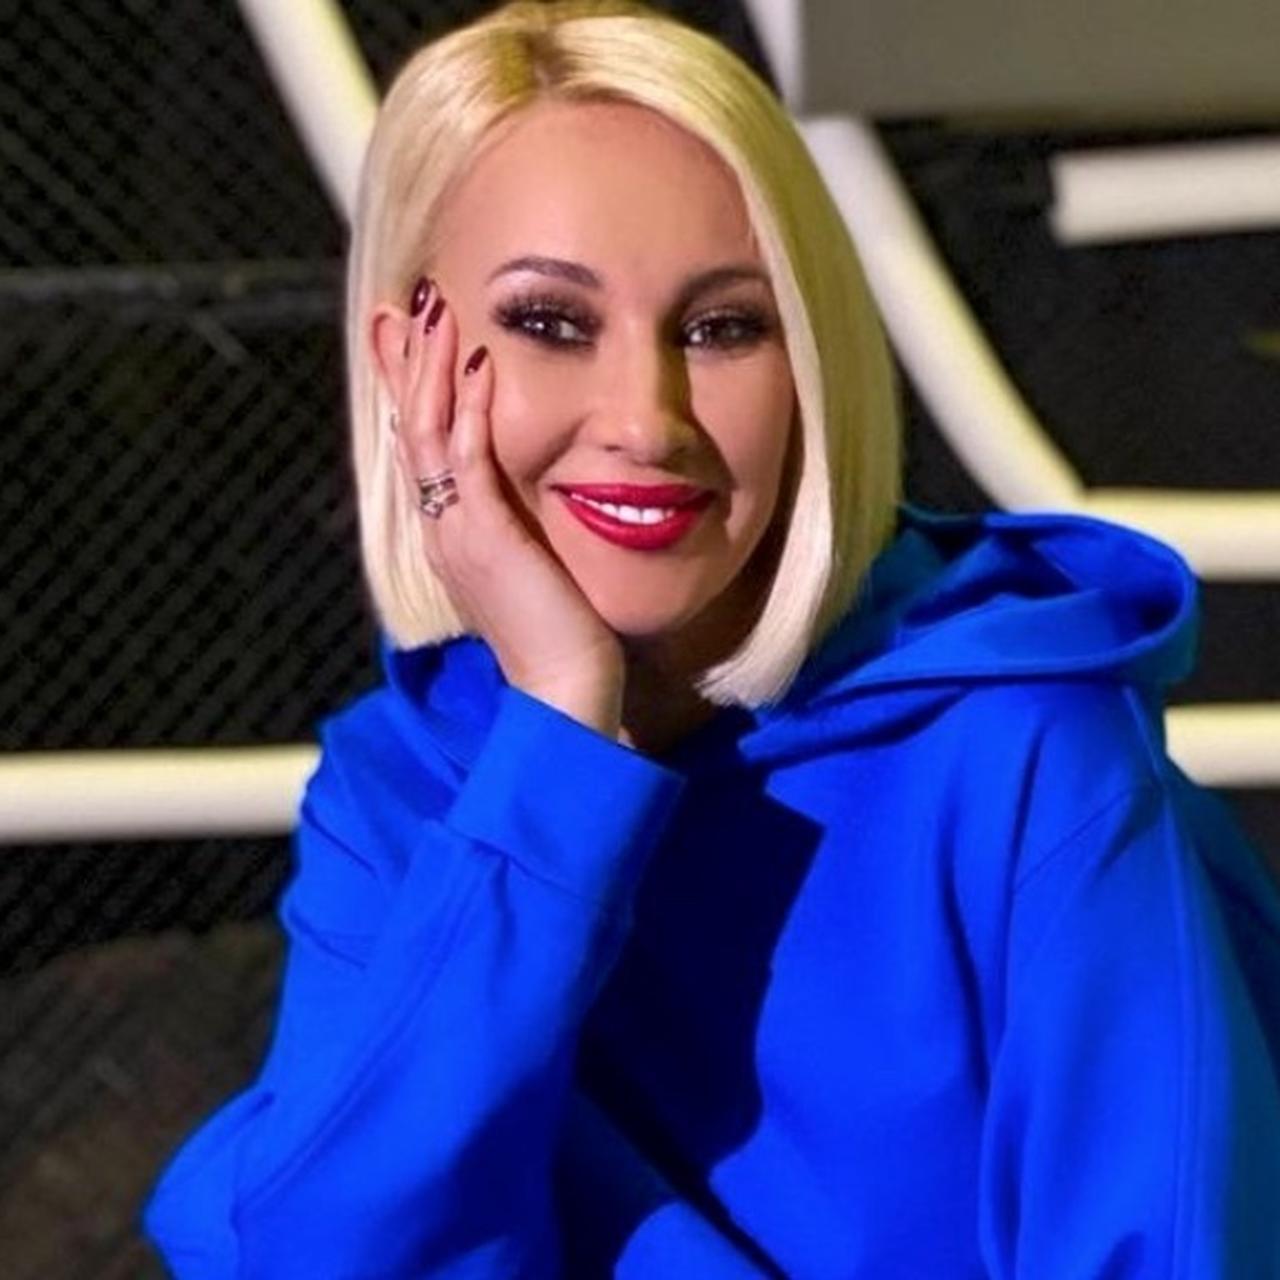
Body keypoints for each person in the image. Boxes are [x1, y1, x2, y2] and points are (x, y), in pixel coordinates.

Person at [142, 1, 1280, 1276]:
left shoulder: (1025, 755)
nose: (646, 418)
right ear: (408, 361)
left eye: (722, 327)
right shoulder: (397, 786)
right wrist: (559, 740)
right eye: (551, 322)